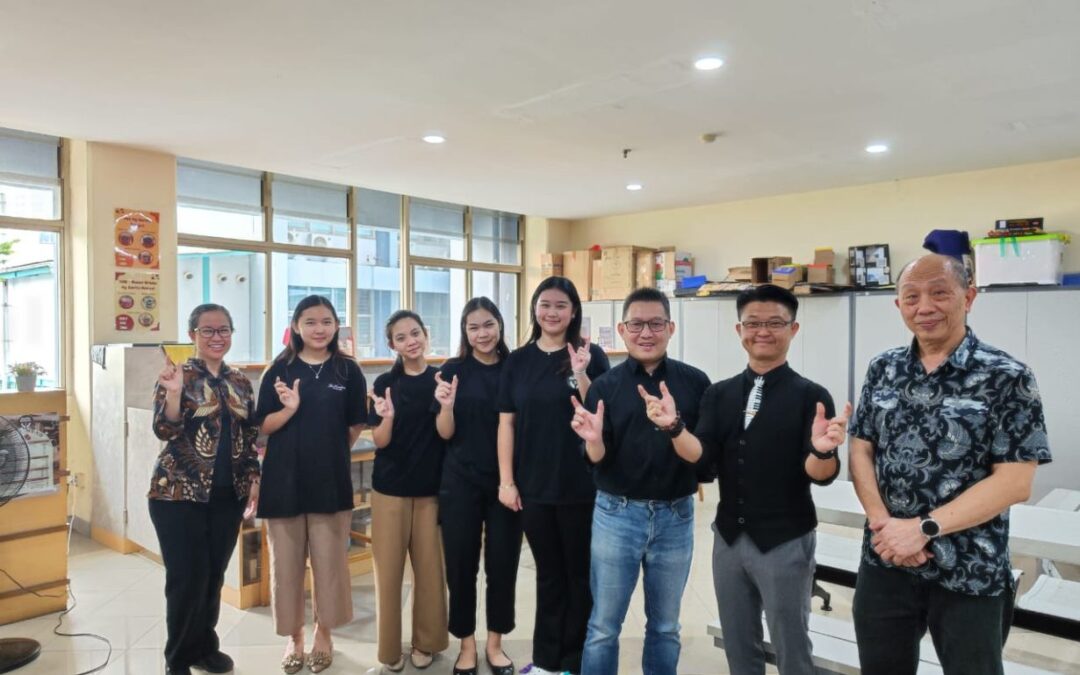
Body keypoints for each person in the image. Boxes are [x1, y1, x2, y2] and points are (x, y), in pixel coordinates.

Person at [849, 254, 1052, 675]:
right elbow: (861, 448)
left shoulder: (1007, 376)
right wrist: (883, 524)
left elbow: (1015, 481)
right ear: (899, 305)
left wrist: (921, 529)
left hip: (969, 567)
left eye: (939, 293)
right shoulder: (883, 368)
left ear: (969, 297)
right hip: (886, 560)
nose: (924, 307)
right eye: (911, 297)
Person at [674, 283, 851, 675]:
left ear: (793, 329)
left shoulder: (810, 396)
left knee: (791, 643)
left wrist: (823, 450)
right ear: (739, 330)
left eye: (775, 323)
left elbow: (821, 475)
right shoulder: (718, 395)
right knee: (738, 643)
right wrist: (674, 428)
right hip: (728, 538)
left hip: (785, 539)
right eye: (753, 323)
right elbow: (704, 460)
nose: (763, 331)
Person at [570, 287, 710, 675]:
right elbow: (595, 460)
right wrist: (594, 440)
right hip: (617, 515)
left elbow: (704, 458)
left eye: (656, 324)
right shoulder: (605, 387)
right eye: (636, 324)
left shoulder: (696, 383)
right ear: (622, 330)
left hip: (675, 517)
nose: (646, 333)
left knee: (665, 627)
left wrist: (674, 425)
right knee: (603, 626)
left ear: (671, 328)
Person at [497, 276, 610, 675]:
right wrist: (507, 481)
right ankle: (546, 661)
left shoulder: (591, 355)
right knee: (548, 575)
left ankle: (575, 661)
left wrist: (581, 373)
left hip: (582, 484)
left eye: (561, 305)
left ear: (574, 311)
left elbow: (600, 410)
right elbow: (506, 423)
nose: (552, 312)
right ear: (535, 308)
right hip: (534, 486)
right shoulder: (518, 361)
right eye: (545, 304)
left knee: (579, 575)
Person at [256, 295, 367, 674]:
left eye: (326, 321)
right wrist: (289, 410)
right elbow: (262, 426)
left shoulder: (348, 371)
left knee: (329, 562)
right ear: (296, 326)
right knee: (286, 566)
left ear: (336, 326)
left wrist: (332, 450)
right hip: (282, 481)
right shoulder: (279, 370)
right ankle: (295, 637)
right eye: (310, 322)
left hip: (330, 481)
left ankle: (324, 633)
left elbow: (355, 422)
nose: (319, 329)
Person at [148, 303, 260, 675]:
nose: (217, 337)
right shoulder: (177, 374)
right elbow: (164, 429)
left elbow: (249, 437)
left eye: (224, 329)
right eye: (207, 330)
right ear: (192, 334)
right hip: (178, 494)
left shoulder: (240, 381)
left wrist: (254, 478)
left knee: (213, 575)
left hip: (228, 496)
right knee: (186, 579)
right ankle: (178, 658)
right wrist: (174, 393)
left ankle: (203, 648)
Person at [434, 298, 521, 675]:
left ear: (500, 325)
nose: (482, 334)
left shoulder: (516, 367)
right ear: (464, 332)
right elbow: (444, 433)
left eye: (488, 325)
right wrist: (446, 406)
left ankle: (495, 644)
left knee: (503, 564)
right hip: (460, 482)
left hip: (507, 483)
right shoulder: (452, 370)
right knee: (460, 566)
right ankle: (466, 645)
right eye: (473, 327)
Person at [368, 310, 449, 672]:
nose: (410, 341)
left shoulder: (442, 379)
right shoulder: (386, 382)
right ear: (392, 345)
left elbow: (447, 432)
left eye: (415, 333)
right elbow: (380, 441)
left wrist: (447, 404)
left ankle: (426, 642)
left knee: (430, 573)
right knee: (388, 574)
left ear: (425, 335)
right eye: (401, 337)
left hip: (431, 490)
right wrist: (386, 417)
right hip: (390, 490)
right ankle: (388, 650)